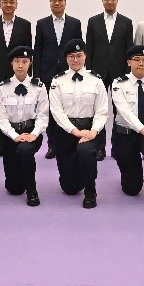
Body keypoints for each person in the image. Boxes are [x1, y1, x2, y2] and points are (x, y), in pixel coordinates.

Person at [47, 40, 107, 208]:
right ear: (66, 58)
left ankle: (90, 190)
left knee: (85, 152)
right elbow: (56, 112)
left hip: (89, 130)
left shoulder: (96, 80)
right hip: (66, 131)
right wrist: (74, 131)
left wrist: (93, 131)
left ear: (85, 56)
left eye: (79, 56)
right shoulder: (57, 81)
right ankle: (78, 175)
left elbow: (102, 111)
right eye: (71, 56)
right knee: (70, 187)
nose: (75, 60)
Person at [107, 44, 144, 208]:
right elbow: (126, 113)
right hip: (125, 135)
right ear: (129, 62)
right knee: (131, 188)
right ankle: (132, 174)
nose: (141, 64)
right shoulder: (118, 84)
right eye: (137, 60)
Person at [0, 46, 47, 206]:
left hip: (31, 133)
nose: (20, 65)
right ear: (12, 64)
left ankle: (32, 190)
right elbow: (1, 117)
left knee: (25, 151)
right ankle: (19, 181)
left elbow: (43, 115)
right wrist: (15, 136)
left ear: (30, 63)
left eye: (24, 61)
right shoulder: (3, 87)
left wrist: (34, 134)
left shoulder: (39, 87)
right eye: (17, 61)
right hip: (10, 135)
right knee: (13, 188)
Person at [33, 0, 83, 84]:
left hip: (69, 71)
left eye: (60, 0)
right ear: (50, 3)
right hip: (46, 72)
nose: (57, 3)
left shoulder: (75, 23)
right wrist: (36, 75)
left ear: (65, 2)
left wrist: (80, 71)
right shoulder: (41, 24)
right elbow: (37, 50)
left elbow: (79, 50)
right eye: (53, 0)